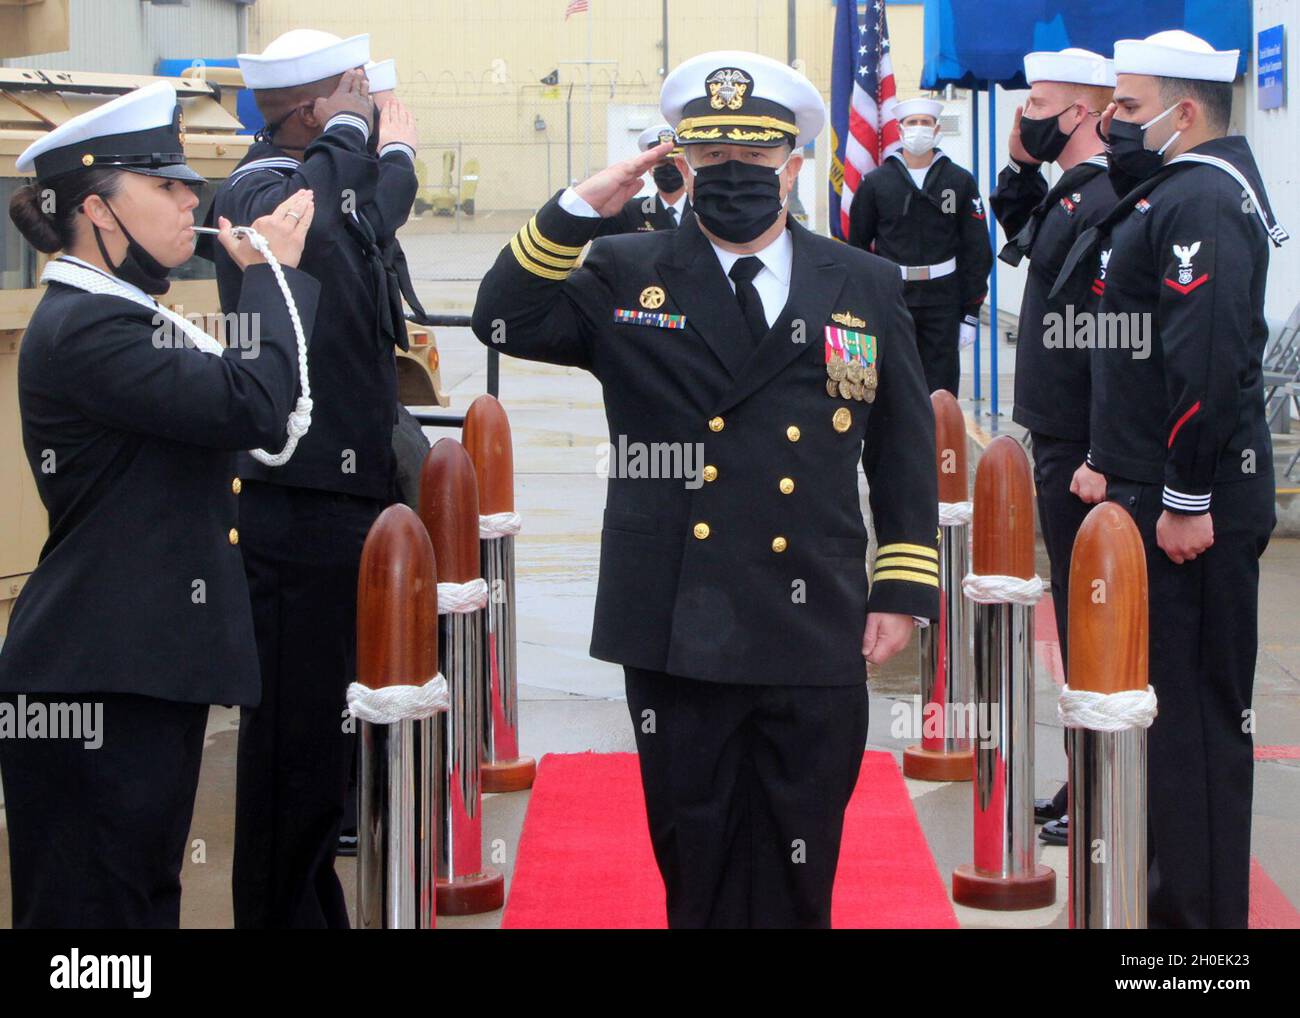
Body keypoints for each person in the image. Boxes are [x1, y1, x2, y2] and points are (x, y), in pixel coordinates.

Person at [472, 50, 939, 928]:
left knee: (805, 854)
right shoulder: (625, 270)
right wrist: (579, 210)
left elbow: (905, 449)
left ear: (793, 164)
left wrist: (903, 586)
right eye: (713, 159)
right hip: (680, 620)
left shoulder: (862, 284)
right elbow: (503, 318)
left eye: (755, 160)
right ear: (682, 163)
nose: (735, 177)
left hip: (814, 611)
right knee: (699, 852)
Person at [0, 81, 318, 928]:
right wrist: (271, 279)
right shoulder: (90, 331)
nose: (192, 200)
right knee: (94, 925)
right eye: (168, 185)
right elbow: (254, 404)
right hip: (97, 680)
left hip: (134, 671)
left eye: (189, 183)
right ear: (101, 212)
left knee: (137, 904)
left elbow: (267, 422)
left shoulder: (126, 316)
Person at [1053, 30, 1287, 928]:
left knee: (1190, 731)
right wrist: (1107, 457)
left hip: (1192, 507)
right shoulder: (1165, 197)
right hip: (1146, 491)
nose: (1112, 121)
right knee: (1158, 725)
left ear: (1183, 113)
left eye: (1127, 104)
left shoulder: (1201, 202)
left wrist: (1185, 497)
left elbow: (1210, 361)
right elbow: (1137, 353)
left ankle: (1198, 948)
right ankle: (1162, 917)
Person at [205, 28, 415, 928]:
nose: (368, 100)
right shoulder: (260, 185)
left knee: (325, 740)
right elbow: (318, 226)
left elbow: (376, 212)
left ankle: (309, 906)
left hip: (347, 498)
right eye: (351, 90)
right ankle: (280, 912)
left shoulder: (325, 177)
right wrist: (351, 135)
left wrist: (384, 142)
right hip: (296, 503)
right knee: (293, 741)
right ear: (306, 109)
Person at [988, 47, 1118, 844]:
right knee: (1075, 618)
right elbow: (1022, 231)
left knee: (1090, 621)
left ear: (1078, 114)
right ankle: (1084, 779)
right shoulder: (1075, 191)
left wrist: (1101, 452)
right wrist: (1015, 159)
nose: (1027, 116)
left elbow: (1112, 346)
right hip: (1062, 434)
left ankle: (1098, 785)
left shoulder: (1103, 195)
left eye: (1038, 104)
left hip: (1081, 445)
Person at [847, 98, 992, 396]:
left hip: (943, 300)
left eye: (925, 123)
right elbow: (858, 248)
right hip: (894, 298)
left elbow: (976, 249)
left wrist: (970, 313)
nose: (918, 129)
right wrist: (867, 303)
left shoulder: (959, 181)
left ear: (937, 129)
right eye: (912, 123)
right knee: (894, 388)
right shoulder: (876, 182)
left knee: (939, 391)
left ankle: (939, 444)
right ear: (899, 131)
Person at [594, 125, 690, 235]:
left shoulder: (701, 208)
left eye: (674, 162)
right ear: (649, 169)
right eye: (662, 162)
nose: (668, 167)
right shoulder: (631, 211)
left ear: (685, 166)